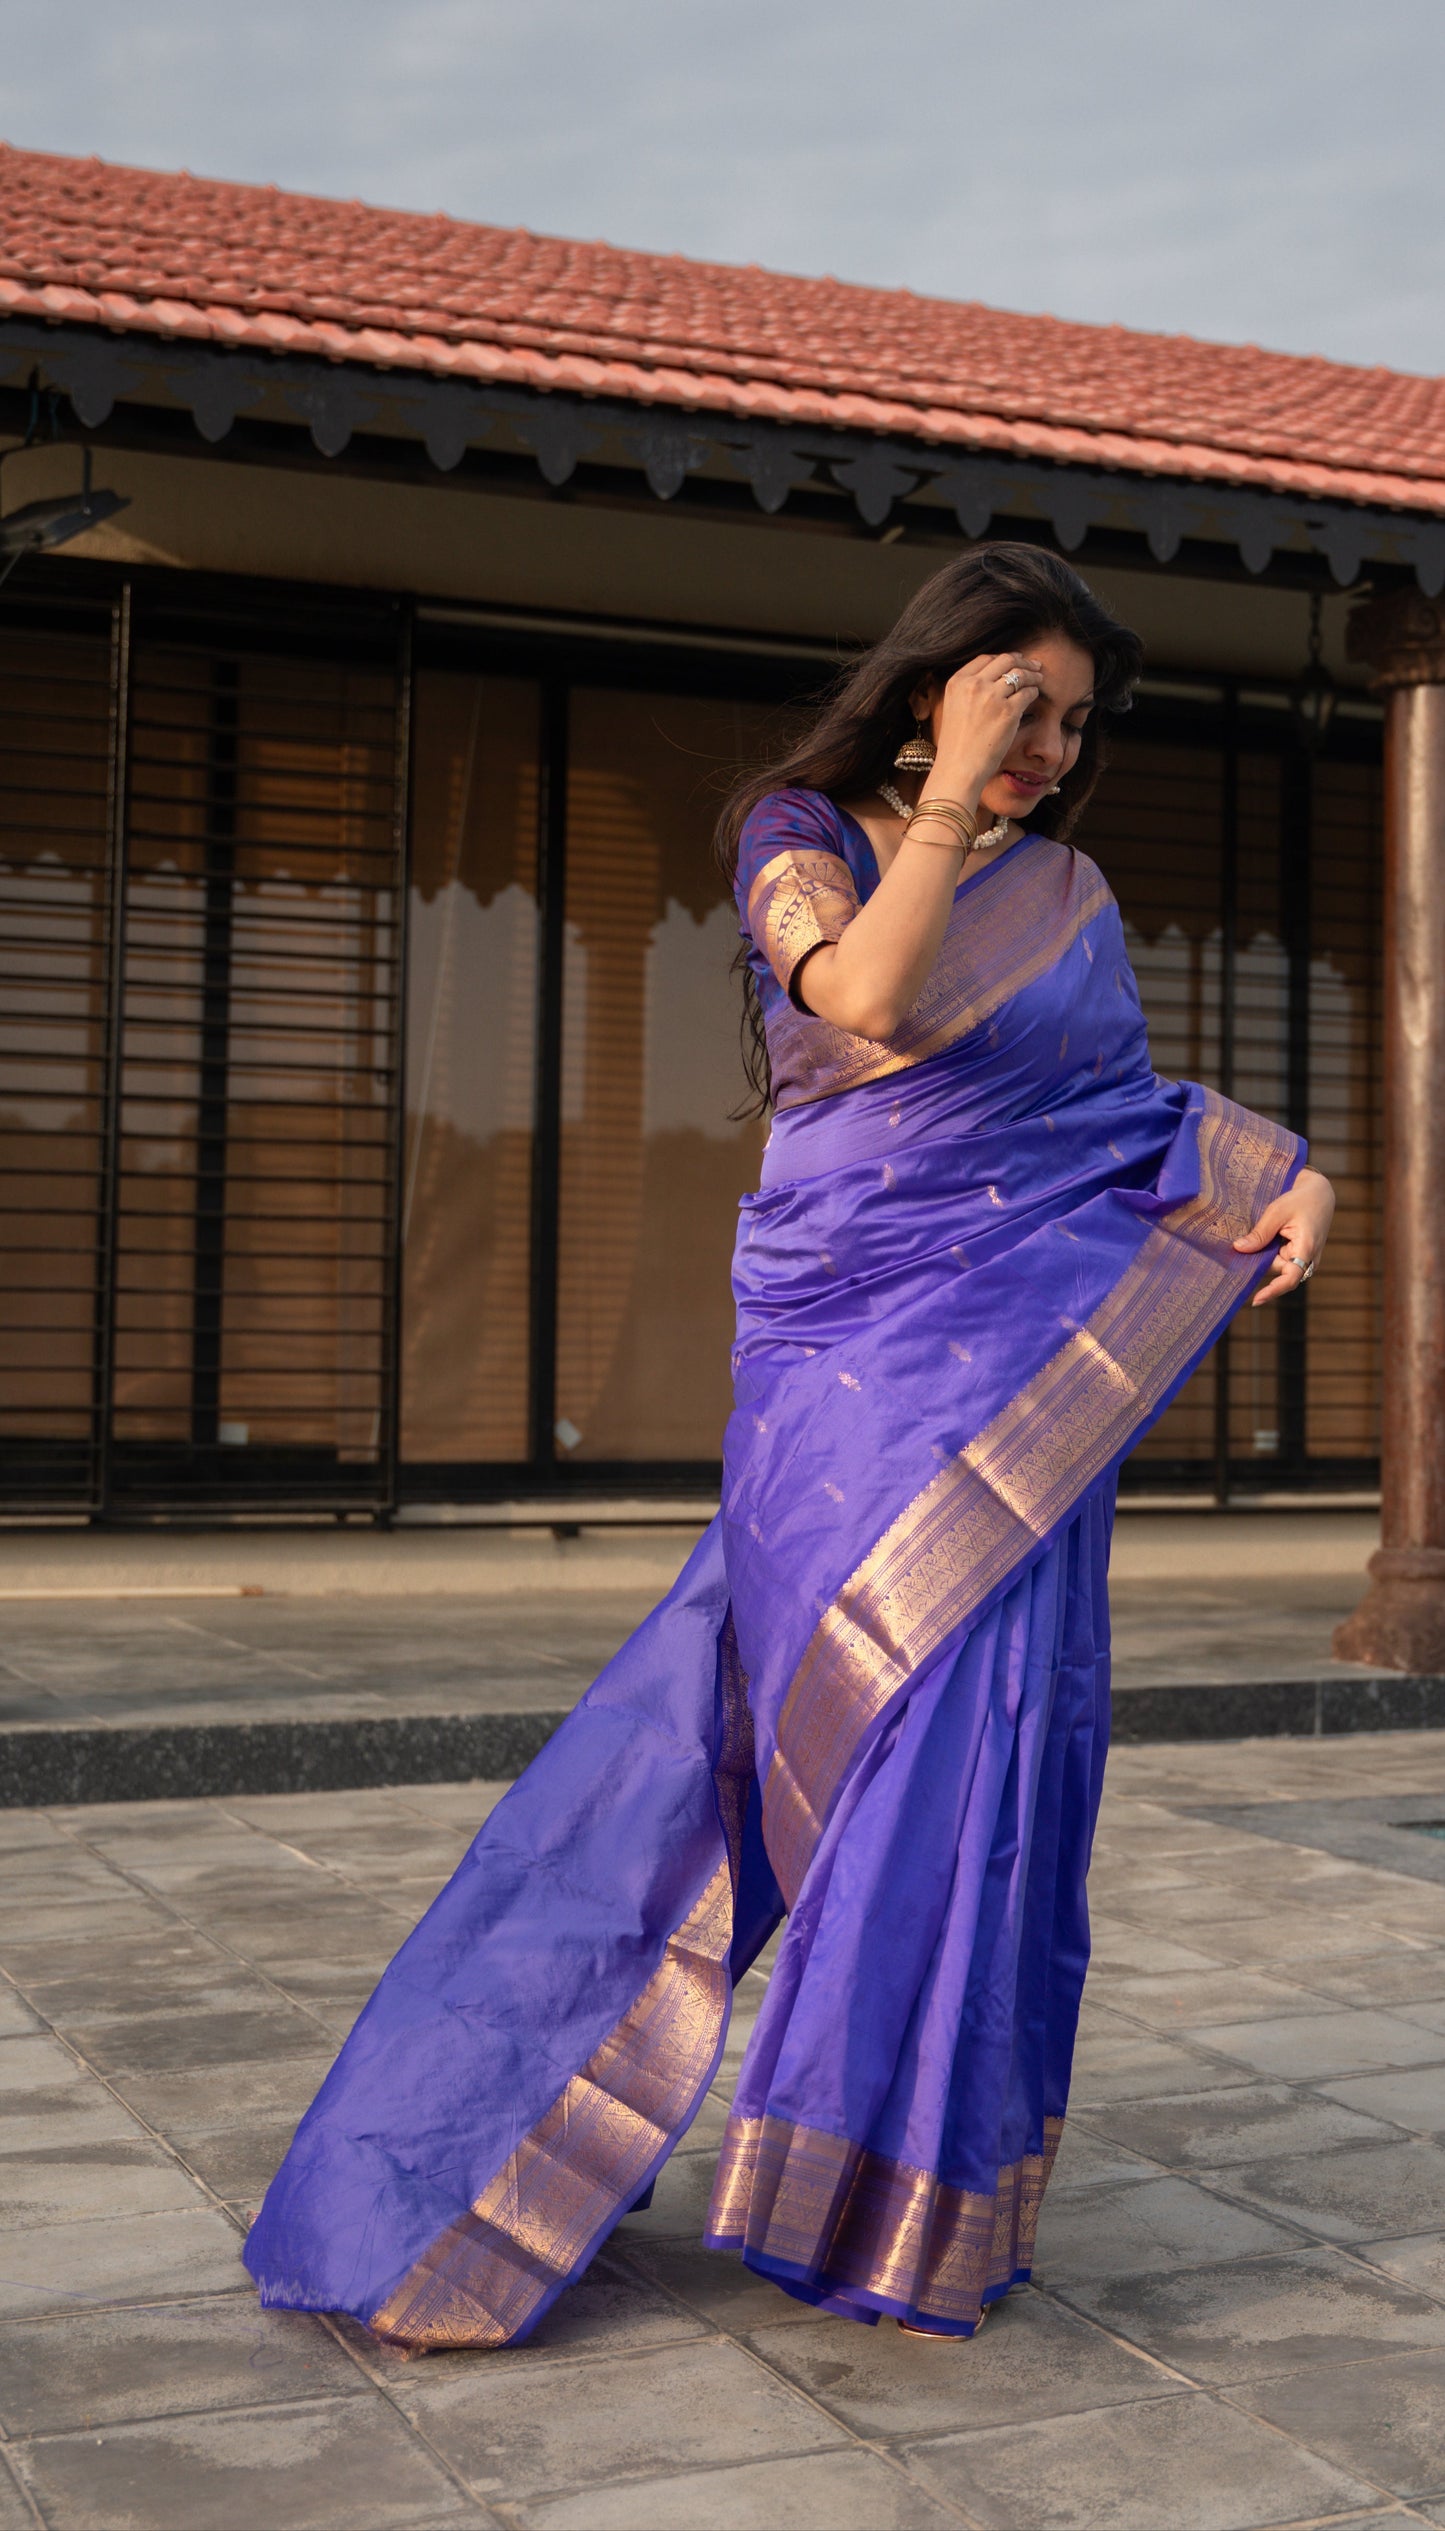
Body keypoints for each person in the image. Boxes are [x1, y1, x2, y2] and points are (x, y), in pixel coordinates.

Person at [244, 543, 1334, 2348]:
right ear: (930, 685)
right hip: (847, 1381)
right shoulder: (797, 833)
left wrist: (1277, 1170)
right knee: (769, 1753)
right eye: (1017, 702)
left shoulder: (1064, 892)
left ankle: (888, 2205)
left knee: (984, 1762)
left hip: (1008, 1392)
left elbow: (1118, 1115)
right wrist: (935, 817)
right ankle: (457, 2175)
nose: (1049, 744)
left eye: (1073, 721)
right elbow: (870, 1008)